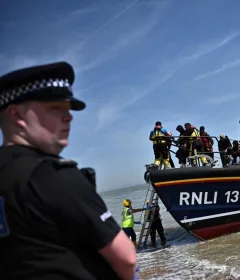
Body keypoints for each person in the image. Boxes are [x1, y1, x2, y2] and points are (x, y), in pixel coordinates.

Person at [0, 62, 137, 280]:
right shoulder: (54, 176)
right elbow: (126, 258)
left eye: (68, 108)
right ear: (17, 115)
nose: (69, 116)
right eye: (55, 108)